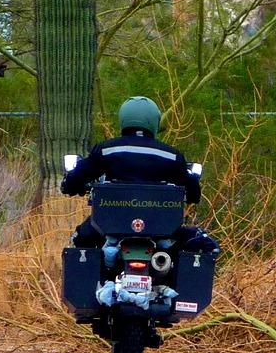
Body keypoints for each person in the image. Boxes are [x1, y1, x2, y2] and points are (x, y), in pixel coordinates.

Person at [62, 96, 206, 249]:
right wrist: (191, 193)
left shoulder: (106, 150)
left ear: (123, 119)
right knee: (198, 243)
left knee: (78, 244)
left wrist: (70, 184)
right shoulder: (171, 155)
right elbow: (193, 192)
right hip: (160, 227)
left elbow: (79, 175)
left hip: (110, 223)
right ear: (154, 121)